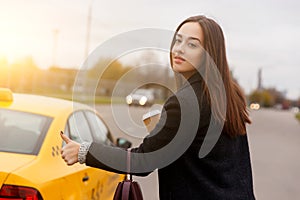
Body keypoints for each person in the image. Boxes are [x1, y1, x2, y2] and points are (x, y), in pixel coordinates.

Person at [61, 15, 255, 199]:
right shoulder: (229, 95)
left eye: (192, 44)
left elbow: (144, 161)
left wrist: (84, 151)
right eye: (178, 40)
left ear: (209, 54)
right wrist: (163, 132)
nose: (179, 49)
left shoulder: (185, 103)